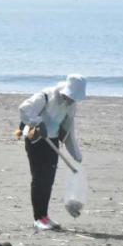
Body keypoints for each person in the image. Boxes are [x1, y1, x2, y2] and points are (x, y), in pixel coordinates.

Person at [18, 74, 87, 231]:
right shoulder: (45, 96)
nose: (70, 100)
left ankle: (45, 216)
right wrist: (37, 123)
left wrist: (75, 153)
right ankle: (38, 218)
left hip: (53, 142)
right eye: (69, 97)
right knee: (39, 178)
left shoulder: (71, 105)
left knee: (48, 180)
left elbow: (69, 130)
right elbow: (24, 109)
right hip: (35, 139)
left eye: (73, 98)